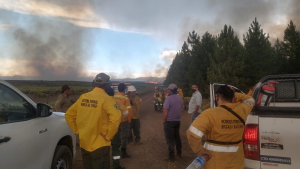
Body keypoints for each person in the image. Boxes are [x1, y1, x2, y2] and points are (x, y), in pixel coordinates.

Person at [186, 85, 255, 169]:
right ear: (233, 98)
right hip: (236, 163)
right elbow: (250, 99)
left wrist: (199, 150)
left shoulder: (209, 113)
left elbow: (192, 134)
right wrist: (234, 94)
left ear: (217, 96)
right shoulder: (242, 110)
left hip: (214, 164)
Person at [65, 73, 121, 169]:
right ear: (107, 85)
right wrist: (108, 136)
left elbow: (68, 115)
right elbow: (116, 118)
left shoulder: (83, 97)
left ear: (94, 83)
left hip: (84, 143)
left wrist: (77, 131)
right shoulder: (107, 99)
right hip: (100, 145)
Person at [106, 87, 127, 169]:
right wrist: (121, 120)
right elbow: (125, 112)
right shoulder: (117, 102)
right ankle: (116, 165)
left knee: (104, 148)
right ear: (113, 94)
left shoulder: (102, 101)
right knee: (115, 147)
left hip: (103, 129)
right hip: (115, 128)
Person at [163, 84, 184, 162]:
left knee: (170, 139)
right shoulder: (180, 98)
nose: (167, 90)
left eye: (168, 89)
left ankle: (171, 156)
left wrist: (164, 120)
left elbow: (165, 110)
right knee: (177, 137)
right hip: (177, 121)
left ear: (170, 90)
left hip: (169, 121)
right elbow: (182, 109)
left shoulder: (168, 98)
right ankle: (179, 153)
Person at [114, 83, 132, 158]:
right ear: (124, 90)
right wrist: (129, 120)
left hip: (115, 120)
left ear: (118, 89)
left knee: (117, 136)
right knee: (124, 135)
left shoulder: (114, 97)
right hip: (124, 120)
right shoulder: (126, 98)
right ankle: (123, 152)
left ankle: (115, 153)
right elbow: (128, 110)